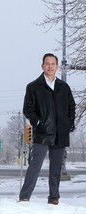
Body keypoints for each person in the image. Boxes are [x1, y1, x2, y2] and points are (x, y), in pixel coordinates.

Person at [19, 53, 75, 205]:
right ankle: (25, 196)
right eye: (47, 63)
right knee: (35, 164)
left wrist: (69, 122)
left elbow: (71, 106)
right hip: (42, 132)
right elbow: (28, 109)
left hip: (60, 133)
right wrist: (37, 122)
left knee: (56, 167)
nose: (50, 66)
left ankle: (54, 197)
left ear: (57, 66)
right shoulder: (33, 87)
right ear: (42, 66)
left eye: (53, 63)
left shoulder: (64, 87)